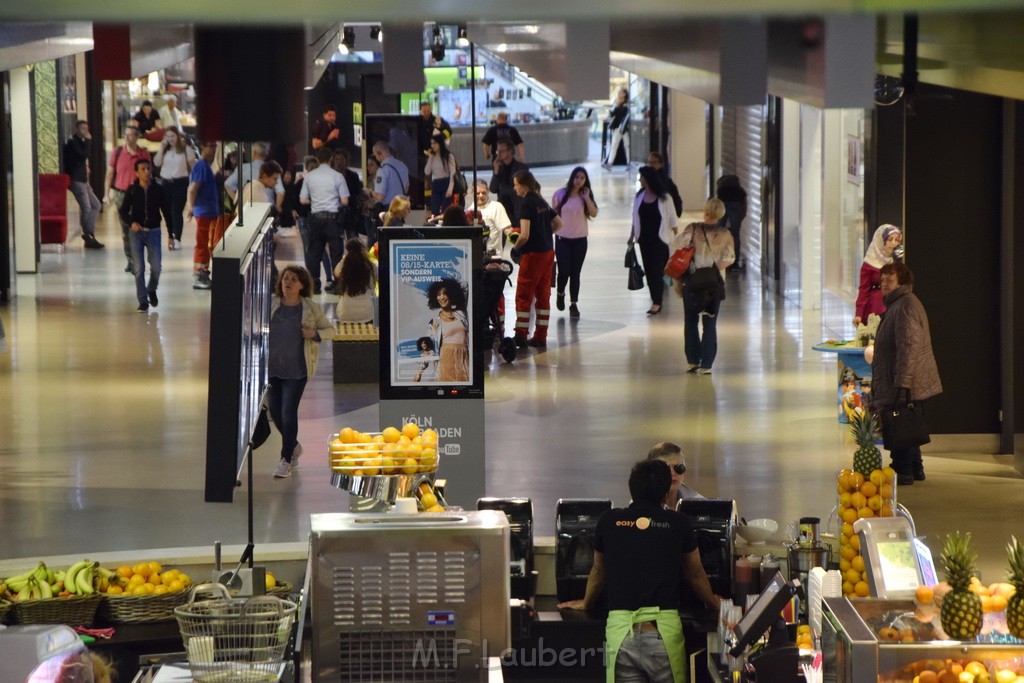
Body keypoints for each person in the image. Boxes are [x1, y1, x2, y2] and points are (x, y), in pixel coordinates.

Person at [558, 458, 722, 683]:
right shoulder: (678, 523)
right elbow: (695, 574)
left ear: (631, 489)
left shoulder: (608, 521)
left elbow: (598, 571)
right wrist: (714, 604)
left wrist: (586, 603)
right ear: (666, 494)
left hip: (621, 635)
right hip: (663, 634)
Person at [867, 261, 942, 485]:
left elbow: (908, 346)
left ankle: (902, 470)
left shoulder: (904, 305)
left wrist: (903, 382)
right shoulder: (899, 304)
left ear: (902, 282)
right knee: (909, 423)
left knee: (900, 424)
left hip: (904, 380)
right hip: (903, 378)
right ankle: (915, 468)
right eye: (882, 281)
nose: (884, 285)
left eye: (889, 281)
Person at [268, 265, 335, 479]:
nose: (288, 282)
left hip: (297, 371)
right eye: (285, 278)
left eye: (294, 279)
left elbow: (330, 330)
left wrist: (314, 333)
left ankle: (286, 459)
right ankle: (294, 445)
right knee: (275, 414)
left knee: (288, 414)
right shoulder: (271, 304)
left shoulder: (310, 308)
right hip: (272, 370)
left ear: (302, 285)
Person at [674, 198, 735, 374]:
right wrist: (713, 269)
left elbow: (679, 244)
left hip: (692, 282)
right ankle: (707, 364)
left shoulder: (692, 228)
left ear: (705, 211)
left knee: (690, 321)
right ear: (721, 214)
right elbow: (730, 258)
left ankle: (693, 360)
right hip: (713, 284)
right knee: (709, 323)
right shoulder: (725, 234)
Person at [507, 170, 562, 349]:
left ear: (523, 185)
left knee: (524, 295)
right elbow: (559, 224)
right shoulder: (541, 201)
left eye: (516, 184)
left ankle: (521, 336)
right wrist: (545, 235)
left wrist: (515, 249)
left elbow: (524, 234)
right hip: (548, 253)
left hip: (533, 256)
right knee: (543, 295)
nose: (514, 188)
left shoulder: (526, 203)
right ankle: (541, 336)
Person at [629, 165, 679, 316]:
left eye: (642, 177)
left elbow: (672, 220)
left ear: (648, 179)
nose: (640, 179)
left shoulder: (665, 198)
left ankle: (657, 302)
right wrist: (631, 236)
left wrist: (675, 241)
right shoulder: (639, 196)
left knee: (657, 271)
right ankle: (655, 299)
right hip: (643, 239)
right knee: (649, 271)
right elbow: (634, 217)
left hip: (660, 239)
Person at [118, 159, 166, 313]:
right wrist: (131, 222)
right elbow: (123, 210)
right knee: (138, 268)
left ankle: (151, 288)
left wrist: (173, 235)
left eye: (148, 168)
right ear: (137, 172)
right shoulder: (132, 190)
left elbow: (166, 211)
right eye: (143, 169)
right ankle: (143, 301)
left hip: (153, 231)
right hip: (136, 233)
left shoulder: (158, 189)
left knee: (156, 267)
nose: (146, 172)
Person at [300, 146, 349, 294]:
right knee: (336, 253)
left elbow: (302, 200)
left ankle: (314, 285)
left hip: (315, 218)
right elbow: (345, 201)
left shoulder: (309, 177)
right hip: (333, 219)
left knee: (315, 252)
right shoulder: (337, 176)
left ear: (317, 159)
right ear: (331, 158)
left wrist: (315, 201)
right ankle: (337, 284)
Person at [551, 166, 599, 319]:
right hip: (562, 239)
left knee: (575, 273)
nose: (579, 180)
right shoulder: (559, 194)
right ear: (572, 177)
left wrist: (586, 197)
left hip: (580, 240)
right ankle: (560, 292)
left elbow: (594, 213)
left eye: (582, 178)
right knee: (564, 271)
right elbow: (552, 216)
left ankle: (573, 304)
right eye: (577, 177)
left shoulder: (586, 196)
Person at [104, 124, 152, 272]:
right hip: (121, 194)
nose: (126, 137)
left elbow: (148, 174)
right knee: (126, 229)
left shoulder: (144, 154)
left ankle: (140, 259)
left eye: (130, 134)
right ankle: (131, 260)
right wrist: (106, 194)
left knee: (140, 227)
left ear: (137, 136)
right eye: (125, 134)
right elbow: (110, 173)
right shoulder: (117, 152)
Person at [62, 119, 104, 249]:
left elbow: (79, 159)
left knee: (96, 205)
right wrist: (89, 141)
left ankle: (89, 233)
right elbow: (83, 154)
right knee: (86, 207)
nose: (85, 131)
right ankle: (88, 235)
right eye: (82, 129)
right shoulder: (73, 142)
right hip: (76, 180)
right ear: (77, 129)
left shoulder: (79, 142)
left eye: (86, 128)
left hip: (83, 179)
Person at [184, 140, 220, 290]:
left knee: (208, 244)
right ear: (203, 147)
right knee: (203, 244)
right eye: (211, 146)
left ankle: (203, 271)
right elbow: (193, 189)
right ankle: (199, 274)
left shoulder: (206, 166)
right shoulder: (201, 166)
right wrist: (191, 207)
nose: (213, 150)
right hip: (204, 211)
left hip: (209, 211)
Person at [154, 126, 195, 251]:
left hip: (180, 182)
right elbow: (157, 163)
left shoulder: (186, 149)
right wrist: (161, 148)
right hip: (166, 182)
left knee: (176, 211)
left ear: (177, 136)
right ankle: (170, 235)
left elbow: (192, 166)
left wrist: (193, 182)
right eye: (168, 136)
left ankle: (177, 238)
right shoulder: (165, 150)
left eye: (173, 136)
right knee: (167, 212)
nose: (170, 139)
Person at [854, 224, 903, 327]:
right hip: (876, 307)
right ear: (881, 241)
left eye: (897, 240)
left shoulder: (900, 259)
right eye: (890, 240)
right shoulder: (870, 262)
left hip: (897, 305)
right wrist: (859, 314)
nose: (894, 244)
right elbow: (864, 290)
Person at [426, 278, 470, 382]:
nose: (441, 297)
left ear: (451, 294)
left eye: (444, 293)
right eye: (438, 294)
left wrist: (447, 284)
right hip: (445, 359)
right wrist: (421, 368)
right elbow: (429, 347)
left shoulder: (461, 314)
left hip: (464, 358)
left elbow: (465, 286)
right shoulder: (434, 322)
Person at [225, 142, 285, 211]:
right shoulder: (273, 169)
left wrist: (237, 200)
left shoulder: (242, 168)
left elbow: (227, 185)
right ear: (265, 154)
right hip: (267, 210)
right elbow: (281, 192)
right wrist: (277, 208)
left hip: (246, 211)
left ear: (254, 153)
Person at [333, 239, 377, 323]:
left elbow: (336, 273)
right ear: (363, 249)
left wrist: (345, 258)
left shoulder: (344, 264)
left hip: (345, 313)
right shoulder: (371, 265)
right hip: (367, 314)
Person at [467, 180, 511, 257]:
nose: (481, 195)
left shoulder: (497, 207)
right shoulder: (469, 211)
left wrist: (516, 239)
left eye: (484, 193)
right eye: (477, 193)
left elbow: (507, 229)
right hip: (475, 256)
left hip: (494, 258)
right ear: (472, 193)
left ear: (488, 191)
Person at [489, 140, 528, 226]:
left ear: (510, 152)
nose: (498, 154)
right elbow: (493, 189)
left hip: (517, 209)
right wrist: (495, 171)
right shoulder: (498, 167)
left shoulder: (521, 168)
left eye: (501, 151)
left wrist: (504, 189)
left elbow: (524, 190)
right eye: (497, 151)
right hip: (502, 210)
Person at [716, 175, 748, 271]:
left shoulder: (721, 191)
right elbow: (744, 207)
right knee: (735, 237)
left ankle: (719, 260)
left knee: (719, 235)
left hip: (723, 208)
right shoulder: (741, 191)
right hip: (736, 207)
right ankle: (735, 263)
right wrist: (739, 219)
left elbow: (718, 206)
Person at [331, 148, 364, 241]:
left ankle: (354, 255)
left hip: (351, 212)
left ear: (346, 160)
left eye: (341, 159)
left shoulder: (352, 175)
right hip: (336, 212)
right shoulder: (331, 175)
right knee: (337, 240)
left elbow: (357, 191)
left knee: (353, 238)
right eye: (336, 159)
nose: (339, 162)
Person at [424, 133, 457, 218]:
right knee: (434, 209)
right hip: (435, 183)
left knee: (446, 210)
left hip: (446, 182)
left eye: (435, 143)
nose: (433, 145)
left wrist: (450, 188)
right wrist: (430, 158)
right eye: (432, 143)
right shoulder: (432, 156)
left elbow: (453, 173)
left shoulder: (448, 155)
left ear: (440, 143)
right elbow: (427, 172)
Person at [371, 141, 410, 211]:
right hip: (401, 209)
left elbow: (380, 197)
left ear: (379, 153)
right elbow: (406, 189)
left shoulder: (382, 170)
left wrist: (370, 192)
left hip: (388, 210)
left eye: (375, 155)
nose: (376, 158)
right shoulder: (403, 165)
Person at [601, 88, 630, 171]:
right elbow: (612, 113)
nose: (619, 93)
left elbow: (618, 113)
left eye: (620, 92)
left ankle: (628, 163)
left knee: (626, 145)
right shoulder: (617, 103)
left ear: (624, 94)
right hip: (618, 127)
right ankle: (610, 163)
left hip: (624, 127)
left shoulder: (626, 105)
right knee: (614, 144)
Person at [647, 151, 682, 218]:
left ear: (660, 164)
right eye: (649, 162)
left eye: (654, 162)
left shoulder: (664, 181)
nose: (650, 165)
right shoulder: (648, 179)